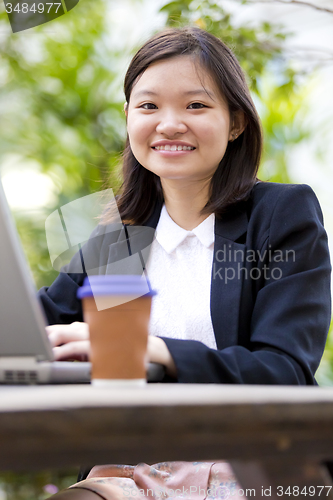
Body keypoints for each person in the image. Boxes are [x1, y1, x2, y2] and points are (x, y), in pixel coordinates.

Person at [39, 26, 331, 499]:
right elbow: (38, 327)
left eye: (196, 105)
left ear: (236, 121)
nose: (169, 123)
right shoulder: (120, 235)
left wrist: (152, 349)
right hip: (127, 467)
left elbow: (284, 371)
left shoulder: (282, 215)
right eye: (149, 106)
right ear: (129, 117)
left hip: (249, 462)